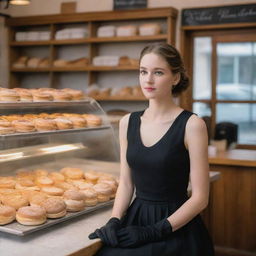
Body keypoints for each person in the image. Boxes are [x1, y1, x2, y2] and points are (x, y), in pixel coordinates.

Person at [89, 42, 215, 256]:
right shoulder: (127, 122)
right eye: (143, 71)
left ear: (175, 78)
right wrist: (114, 219)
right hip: (135, 218)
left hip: (174, 225)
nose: (148, 79)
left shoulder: (192, 124)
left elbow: (200, 198)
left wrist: (155, 231)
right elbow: (127, 183)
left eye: (158, 72)